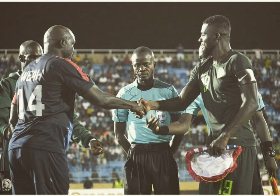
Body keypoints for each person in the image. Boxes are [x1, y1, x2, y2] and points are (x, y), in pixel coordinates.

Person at [141, 15, 275, 194]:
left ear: (217, 36)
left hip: (240, 148)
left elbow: (251, 104)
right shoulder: (201, 69)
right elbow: (182, 101)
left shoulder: (238, 61)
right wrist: (152, 105)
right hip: (214, 149)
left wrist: (267, 154)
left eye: (203, 34)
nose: (199, 39)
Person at [8, 25, 145, 195]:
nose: (74, 49)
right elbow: (101, 99)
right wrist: (134, 106)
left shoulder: (26, 71)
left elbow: (13, 119)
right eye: (72, 44)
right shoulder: (61, 64)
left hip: (16, 149)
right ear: (63, 42)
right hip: (46, 147)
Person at [112, 46, 183, 194]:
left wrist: (171, 151)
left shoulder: (168, 91)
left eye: (146, 64)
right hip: (137, 153)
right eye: (137, 64)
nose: (141, 68)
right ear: (132, 67)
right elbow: (119, 134)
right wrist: (132, 153)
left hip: (163, 152)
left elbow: (180, 126)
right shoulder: (124, 93)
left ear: (154, 65)